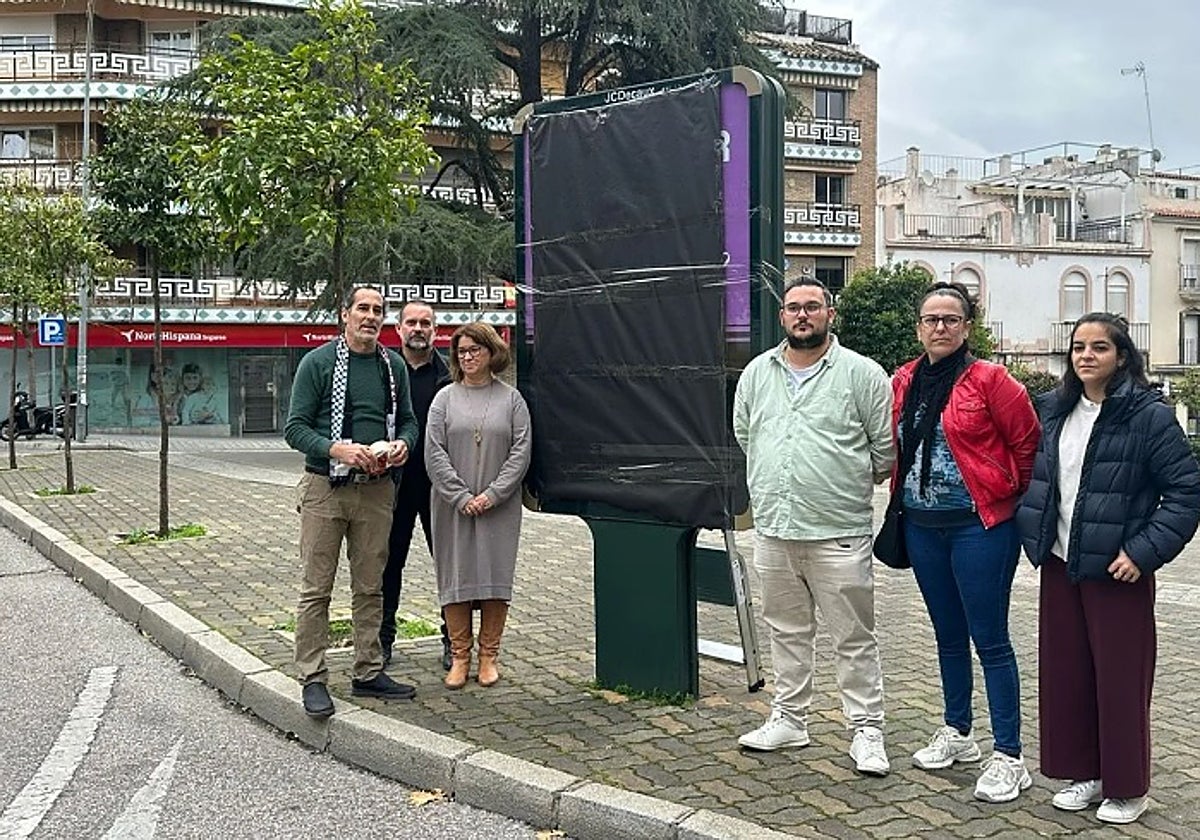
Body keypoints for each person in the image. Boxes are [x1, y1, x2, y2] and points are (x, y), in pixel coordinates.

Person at [1016, 313, 1200, 825]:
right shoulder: (1055, 409)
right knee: (1067, 675)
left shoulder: (1148, 415)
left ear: (1123, 356)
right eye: (1078, 346)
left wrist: (1141, 553)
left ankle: (1127, 787)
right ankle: (1085, 774)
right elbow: (1042, 477)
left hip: (1119, 573)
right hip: (1061, 563)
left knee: (1120, 681)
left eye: (1099, 347)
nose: (1086, 355)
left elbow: (1186, 493)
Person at [733, 277, 895, 776]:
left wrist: (834, 481)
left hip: (838, 530)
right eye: (793, 308)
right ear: (782, 317)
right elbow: (745, 433)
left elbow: (884, 450)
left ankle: (866, 730)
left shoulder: (863, 374)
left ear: (830, 314)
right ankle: (789, 719)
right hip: (776, 529)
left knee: (853, 635)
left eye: (812, 307)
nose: (802, 315)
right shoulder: (758, 372)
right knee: (786, 631)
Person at [891, 281, 1040, 803]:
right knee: (947, 635)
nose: (940, 327)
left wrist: (1004, 500)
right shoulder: (904, 380)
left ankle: (1010, 755)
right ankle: (958, 732)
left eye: (951, 319)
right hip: (922, 525)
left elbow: (1026, 446)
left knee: (991, 640)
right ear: (918, 327)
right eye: (931, 319)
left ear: (967, 327)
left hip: (980, 526)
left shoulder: (991, 380)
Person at [284, 285, 419, 718]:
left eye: (378, 311)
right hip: (326, 488)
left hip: (377, 490)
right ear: (345, 314)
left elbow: (411, 423)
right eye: (363, 309)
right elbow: (295, 428)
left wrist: (402, 446)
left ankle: (367, 670)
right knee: (316, 588)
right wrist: (335, 449)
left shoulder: (392, 365)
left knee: (370, 585)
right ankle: (313, 676)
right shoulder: (318, 363)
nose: (371, 317)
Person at [425, 322, 531, 690]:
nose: (467, 356)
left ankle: (488, 656)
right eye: (461, 351)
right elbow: (433, 452)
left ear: (492, 353)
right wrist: (461, 495)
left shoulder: (511, 399)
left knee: (493, 578)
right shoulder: (444, 398)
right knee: (457, 577)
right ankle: (459, 656)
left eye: (475, 350)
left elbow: (520, 452)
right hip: (452, 506)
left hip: (499, 507)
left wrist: (492, 494)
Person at [380, 300, 453, 671]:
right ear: (398, 329)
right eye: (411, 322)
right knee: (387, 564)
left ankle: (453, 640)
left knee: (450, 565)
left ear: (435, 331)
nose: (418, 328)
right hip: (389, 487)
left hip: (440, 489)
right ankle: (382, 641)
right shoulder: (383, 371)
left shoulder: (450, 375)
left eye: (426, 322)